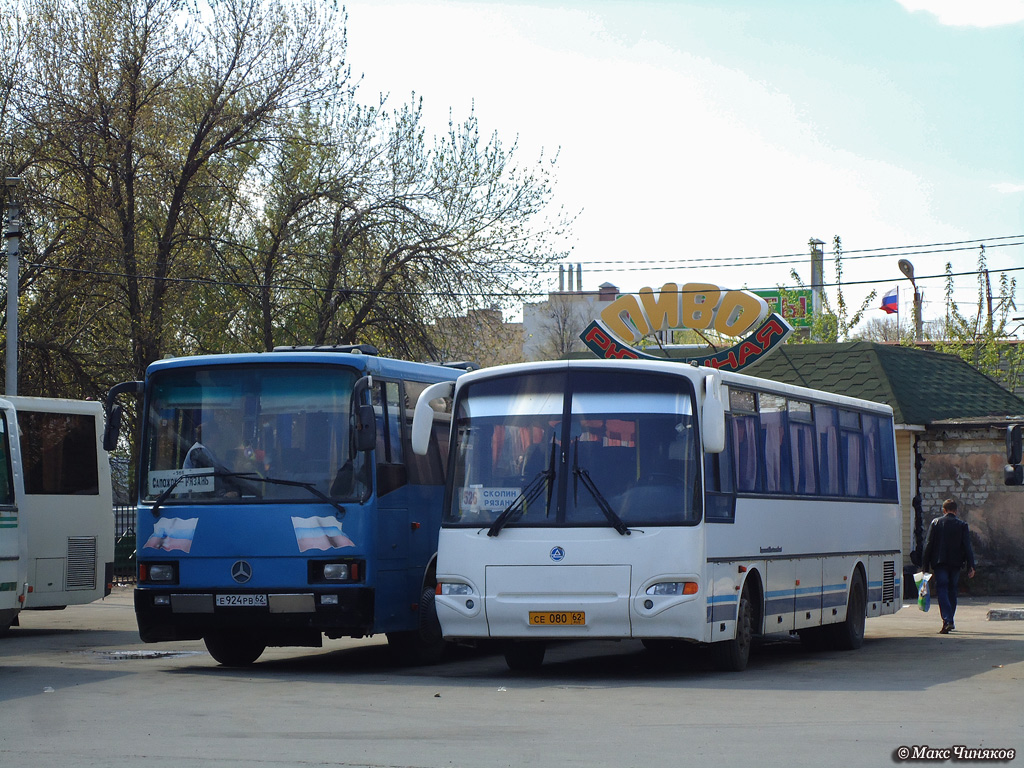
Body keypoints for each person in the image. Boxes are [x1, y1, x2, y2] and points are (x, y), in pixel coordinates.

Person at [921, 499, 976, 634]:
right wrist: (971, 565)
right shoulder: (962, 525)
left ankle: (947, 619)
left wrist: (925, 567)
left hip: (940, 563)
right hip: (956, 563)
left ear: (944, 510)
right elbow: (967, 547)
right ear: (956, 511)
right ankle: (950, 619)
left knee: (942, 589)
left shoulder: (936, 523)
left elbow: (928, 545)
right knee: (952, 590)